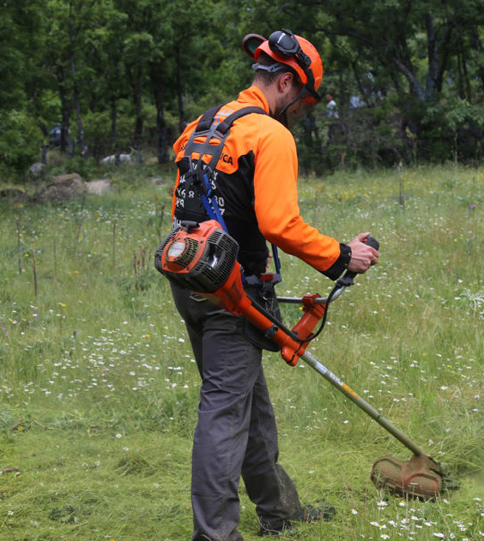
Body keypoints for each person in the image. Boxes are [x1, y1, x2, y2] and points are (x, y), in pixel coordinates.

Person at [167, 29, 379, 541]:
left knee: (247, 403)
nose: (298, 115)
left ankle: (280, 511)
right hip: (230, 293)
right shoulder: (269, 134)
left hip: (190, 276)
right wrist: (343, 256)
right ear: (286, 82)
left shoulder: (199, 128)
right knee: (224, 410)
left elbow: (185, 206)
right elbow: (280, 224)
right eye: (302, 104)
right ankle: (215, 534)